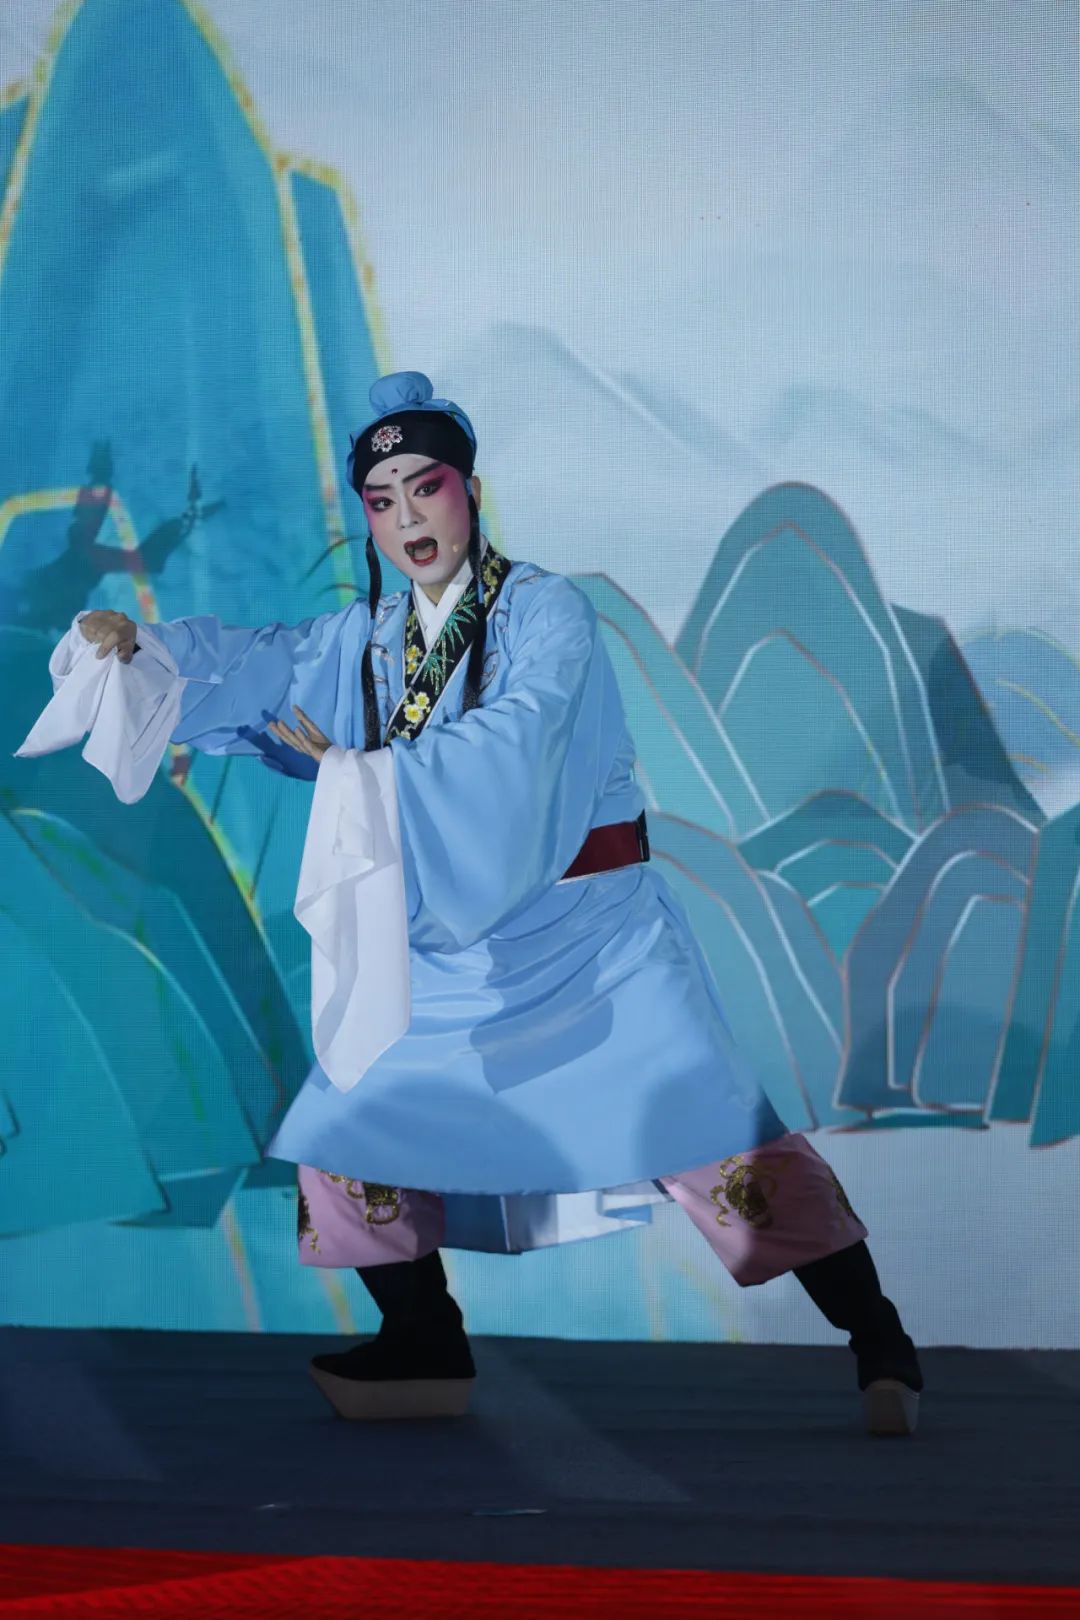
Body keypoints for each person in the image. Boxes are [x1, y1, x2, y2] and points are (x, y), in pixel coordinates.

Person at [19, 371, 923, 1436]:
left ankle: (877, 1337)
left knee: (722, 1143)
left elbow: (523, 738)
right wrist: (142, 650)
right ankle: (423, 1342)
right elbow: (263, 668)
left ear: (471, 491)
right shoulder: (368, 638)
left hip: (593, 940)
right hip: (450, 948)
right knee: (349, 1127)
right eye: (382, 499)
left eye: (427, 487)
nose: (407, 517)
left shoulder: (548, 613)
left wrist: (364, 775)